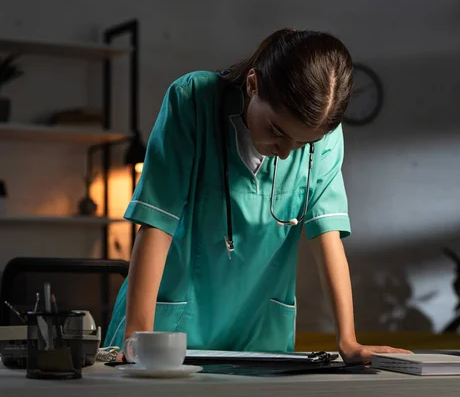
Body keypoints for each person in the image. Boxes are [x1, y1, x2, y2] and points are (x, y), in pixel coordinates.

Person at [104, 28, 411, 364]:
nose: (285, 153)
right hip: (166, 326)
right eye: (277, 131)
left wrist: (348, 341)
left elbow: (328, 236)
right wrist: (136, 338)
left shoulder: (324, 134)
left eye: (302, 144)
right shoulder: (192, 100)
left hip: (259, 333)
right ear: (253, 84)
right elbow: (156, 224)